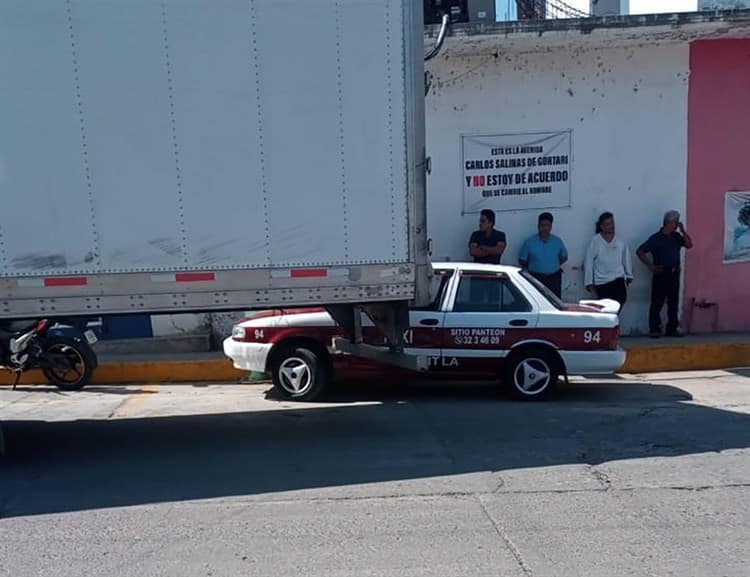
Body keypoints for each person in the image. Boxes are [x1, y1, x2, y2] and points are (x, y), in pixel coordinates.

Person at [637, 210, 694, 338]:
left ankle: (672, 328)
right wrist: (650, 266)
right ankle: (654, 328)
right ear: (669, 223)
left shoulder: (676, 237)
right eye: (675, 222)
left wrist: (683, 231)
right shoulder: (656, 238)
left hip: (674, 272)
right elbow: (640, 251)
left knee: (673, 302)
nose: (676, 225)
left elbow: (689, 245)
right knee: (657, 301)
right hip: (661, 272)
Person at [584, 212, 633, 308]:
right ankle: (611, 323)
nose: (611, 226)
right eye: (608, 224)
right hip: (602, 281)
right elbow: (588, 262)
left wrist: (629, 274)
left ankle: (613, 321)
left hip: (618, 279)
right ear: (602, 226)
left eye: (612, 223)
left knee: (620, 301)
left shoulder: (620, 241)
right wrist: (588, 282)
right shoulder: (595, 241)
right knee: (605, 308)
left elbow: (626, 259)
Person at [519, 212, 568, 298]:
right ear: (538, 226)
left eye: (547, 225)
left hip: (554, 278)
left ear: (551, 226)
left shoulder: (557, 241)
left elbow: (564, 257)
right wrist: (535, 267)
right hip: (535, 277)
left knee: (555, 301)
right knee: (536, 300)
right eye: (542, 225)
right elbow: (522, 260)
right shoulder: (529, 242)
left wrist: (552, 265)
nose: (544, 228)